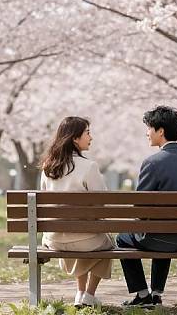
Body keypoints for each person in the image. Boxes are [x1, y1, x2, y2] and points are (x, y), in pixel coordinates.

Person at [117, 106, 177, 307]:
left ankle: (142, 294)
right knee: (164, 228)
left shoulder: (153, 162)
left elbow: (140, 206)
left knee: (123, 237)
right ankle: (156, 294)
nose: (147, 133)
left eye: (149, 128)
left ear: (160, 131)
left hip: (159, 237)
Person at [40, 116, 113, 307]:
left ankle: (79, 293)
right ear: (74, 138)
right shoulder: (89, 166)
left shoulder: (48, 167)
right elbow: (102, 205)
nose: (91, 137)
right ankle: (88, 295)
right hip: (85, 239)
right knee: (105, 242)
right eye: (87, 133)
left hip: (54, 239)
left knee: (81, 237)